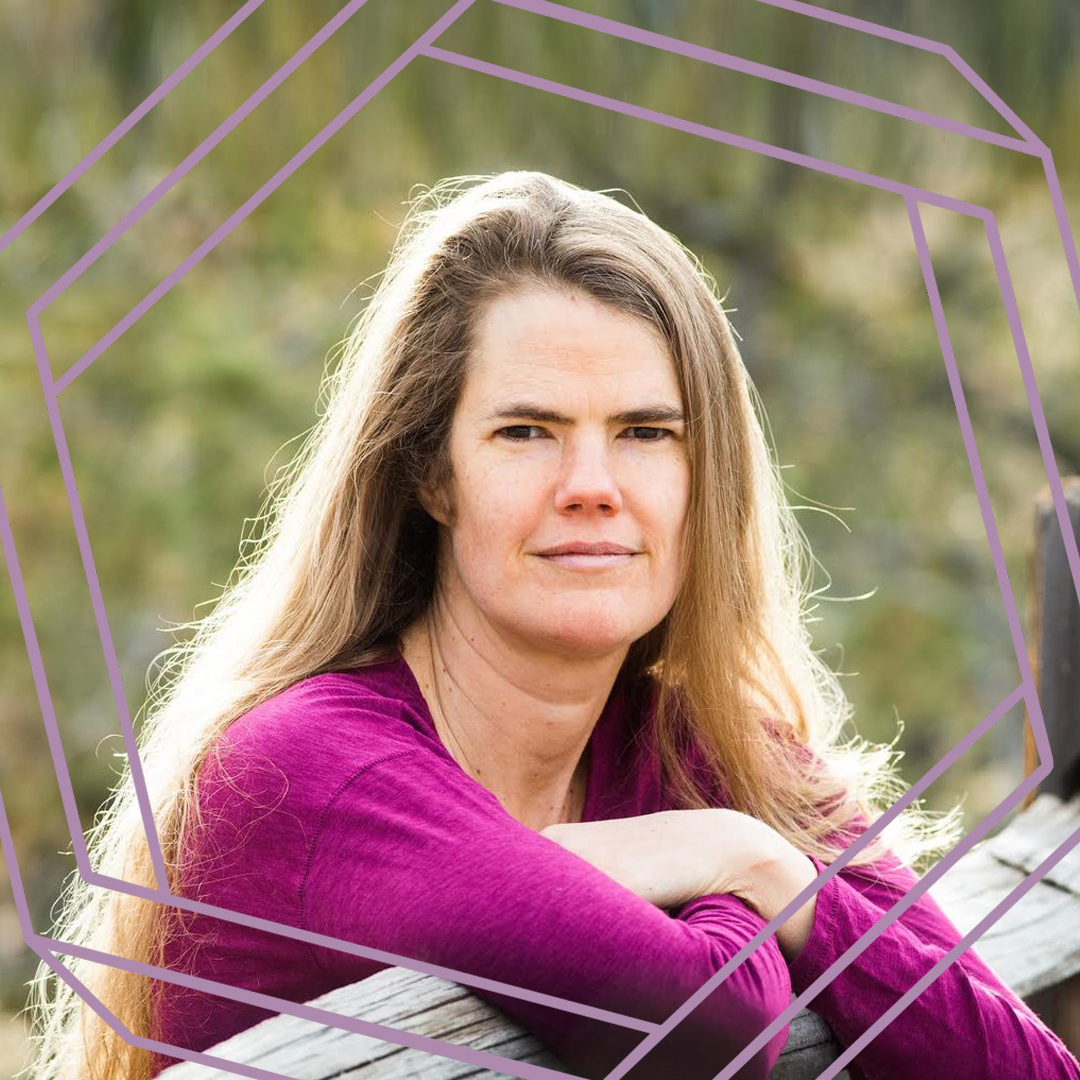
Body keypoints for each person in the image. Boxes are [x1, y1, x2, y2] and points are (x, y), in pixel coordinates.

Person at [25, 172, 1080, 1080]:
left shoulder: (701, 751)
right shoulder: (313, 770)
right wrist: (739, 862)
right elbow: (703, 1024)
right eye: (527, 431)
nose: (592, 486)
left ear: (703, 476)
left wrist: (766, 863)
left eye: (645, 433)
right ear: (433, 473)